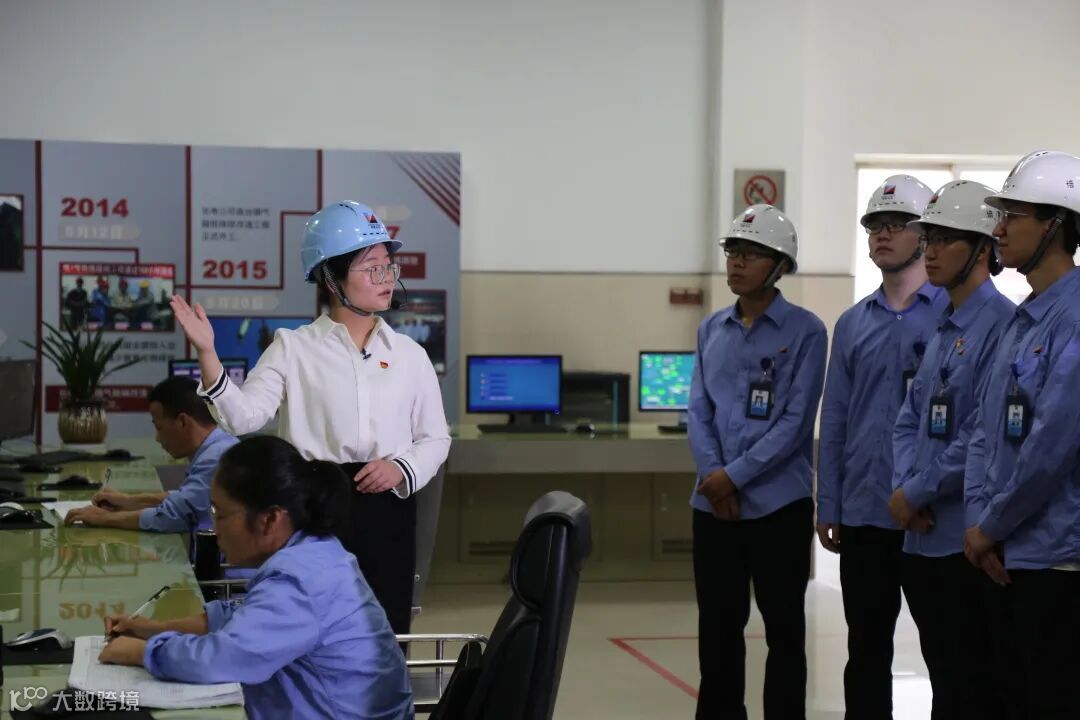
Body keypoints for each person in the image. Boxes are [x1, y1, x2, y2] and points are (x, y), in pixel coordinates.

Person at [169, 201, 450, 635]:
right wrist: (208, 353)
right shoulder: (292, 347)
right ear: (331, 277)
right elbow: (242, 418)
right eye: (371, 267)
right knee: (307, 627)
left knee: (383, 631)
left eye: (388, 266)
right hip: (312, 506)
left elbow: (435, 438)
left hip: (386, 509)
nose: (386, 278)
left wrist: (401, 467)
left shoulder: (409, 355)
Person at [97, 435, 414, 720]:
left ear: (270, 518)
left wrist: (142, 653)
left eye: (220, 514)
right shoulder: (312, 549)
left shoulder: (300, 580)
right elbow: (241, 618)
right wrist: (150, 628)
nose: (215, 529)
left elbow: (224, 658)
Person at [817, 174, 949, 718]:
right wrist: (829, 503)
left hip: (931, 517)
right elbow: (837, 419)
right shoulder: (853, 324)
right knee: (866, 650)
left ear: (925, 236)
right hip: (866, 513)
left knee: (948, 653)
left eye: (896, 225)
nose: (882, 235)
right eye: (875, 225)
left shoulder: (951, 315)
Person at [689, 204, 827, 719]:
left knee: (784, 632)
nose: (737, 262)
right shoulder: (711, 330)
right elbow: (698, 410)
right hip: (713, 508)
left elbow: (794, 424)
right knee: (718, 631)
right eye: (733, 252)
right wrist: (713, 477)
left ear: (780, 265)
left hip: (777, 508)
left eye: (750, 254)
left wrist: (733, 477)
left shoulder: (807, 332)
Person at [887, 181, 1013, 719]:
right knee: (944, 678)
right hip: (921, 538)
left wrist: (916, 491)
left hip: (964, 539)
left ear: (983, 249)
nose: (930, 251)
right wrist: (904, 490)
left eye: (945, 240)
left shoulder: (1002, 326)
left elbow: (982, 433)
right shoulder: (944, 325)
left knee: (974, 686)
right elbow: (909, 418)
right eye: (928, 239)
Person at [963, 150, 1080, 720]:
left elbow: (1052, 446)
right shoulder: (1021, 317)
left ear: (1055, 225)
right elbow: (983, 432)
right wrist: (980, 524)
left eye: (1013, 216)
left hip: (1055, 562)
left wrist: (991, 527)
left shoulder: (1074, 318)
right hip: (1002, 552)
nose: (999, 229)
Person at [66, 377, 238, 532]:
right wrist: (129, 501)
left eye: (159, 427)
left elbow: (175, 515)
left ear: (182, 422)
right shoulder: (218, 447)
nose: (157, 438)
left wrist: (105, 518)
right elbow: (188, 499)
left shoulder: (217, 459)